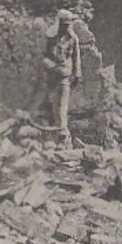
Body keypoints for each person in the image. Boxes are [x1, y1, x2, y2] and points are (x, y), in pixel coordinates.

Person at [42, 9, 82, 144]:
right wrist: (53, 67)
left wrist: (77, 74)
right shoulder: (50, 37)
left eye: (68, 25)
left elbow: (76, 57)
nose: (66, 28)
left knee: (61, 108)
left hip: (64, 78)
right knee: (52, 108)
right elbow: (43, 57)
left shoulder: (73, 38)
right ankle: (55, 137)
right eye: (64, 25)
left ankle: (63, 137)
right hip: (51, 77)